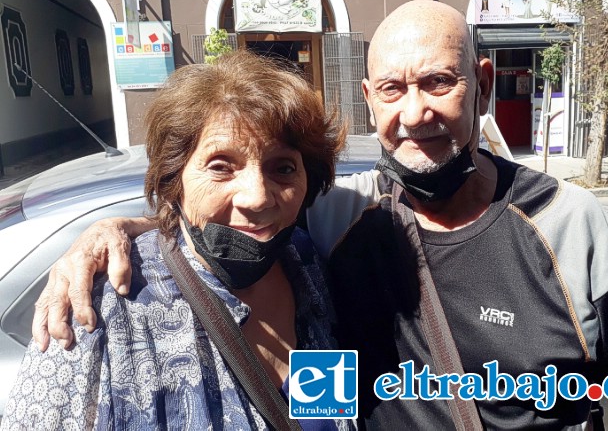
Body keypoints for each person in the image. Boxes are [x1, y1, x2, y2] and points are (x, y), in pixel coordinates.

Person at [33, 1, 608, 430]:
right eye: (394, 89)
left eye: (439, 82)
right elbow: (231, 223)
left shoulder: (571, 222)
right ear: (371, 100)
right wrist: (121, 229)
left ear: (482, 83)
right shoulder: (340, 218)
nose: (416, 111)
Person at [2, 51, 350, 430]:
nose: (258, 197)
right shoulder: (99, 314)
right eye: (221, 166)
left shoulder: (305, 262)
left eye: (282, 168)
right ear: (174, 178)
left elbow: (327, 415)